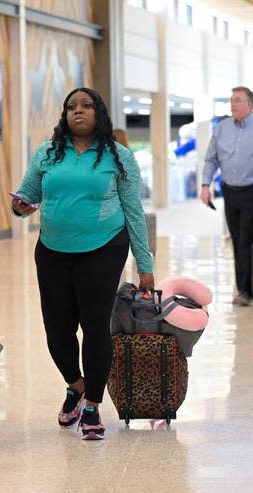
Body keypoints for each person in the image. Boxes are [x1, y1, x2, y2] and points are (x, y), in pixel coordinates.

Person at [13, 87, 152, 442]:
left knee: (94, 325)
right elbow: (26, 195)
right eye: (72, 107)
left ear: (98, 113)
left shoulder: (118, 156)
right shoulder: (47, 153)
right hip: (52, 249)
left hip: (104, 246)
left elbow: (134, 211)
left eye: (86, 106)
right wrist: (21, 207)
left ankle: (92, 405)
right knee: (57, 330)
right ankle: (75, 385)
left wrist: (144, 263)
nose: (79, 112)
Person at [200, 86, 253, 306]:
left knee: (247, 239)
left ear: (250, 104)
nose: (233, 104)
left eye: (238, 100)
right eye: (231, 100)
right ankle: (246, 287)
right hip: (230, 191)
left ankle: (246, 290)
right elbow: (211, 159)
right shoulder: (221, 129)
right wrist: (205, 184)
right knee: (237, 239)